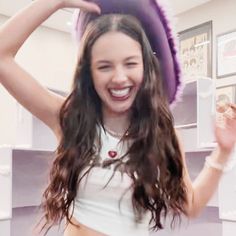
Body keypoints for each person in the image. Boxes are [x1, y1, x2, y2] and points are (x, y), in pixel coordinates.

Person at [0, 0, 236, 236]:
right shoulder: (71, 120)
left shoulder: (162, 134)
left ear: (146, 67)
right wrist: (53, 3)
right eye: (104, 67)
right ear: (88, 73)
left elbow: (190, 205)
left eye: (130, 63)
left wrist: (223, 151)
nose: (120, 77)